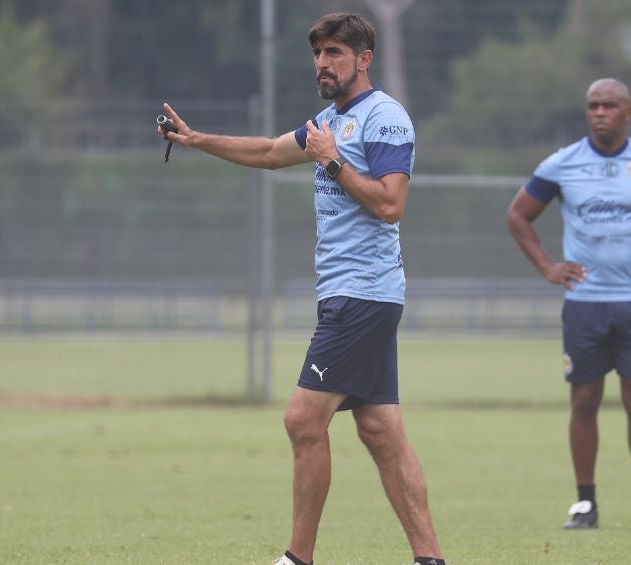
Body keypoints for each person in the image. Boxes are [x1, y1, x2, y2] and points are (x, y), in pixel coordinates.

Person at [159, 12, 445, 565]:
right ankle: (430, 559)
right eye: (318, 54)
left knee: (301, 419)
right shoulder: (325, 122)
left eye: (334, 53)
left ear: (364, 59)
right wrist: (195, 139)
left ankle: (297, 559)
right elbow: (268, 153)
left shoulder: (385, 118)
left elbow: (391, 205)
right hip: (354, 296)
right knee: (381, 430)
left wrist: (333, 161)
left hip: (362, 295)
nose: (322, 63)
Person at [507, 78, 631, 531]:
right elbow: (518, 215)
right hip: (585, 303)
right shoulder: (563, 164)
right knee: (583, 399)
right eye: (593, 106)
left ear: (627, 111)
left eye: (609, 105)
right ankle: (585, 504)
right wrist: (547, 267)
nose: (600, 112)